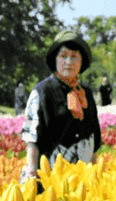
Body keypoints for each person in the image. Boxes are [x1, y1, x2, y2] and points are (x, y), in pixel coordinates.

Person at [20, 30, 102, 187]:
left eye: (74, 57)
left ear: (82, 61)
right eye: (63, 56)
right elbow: (31, 138)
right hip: (49, 178)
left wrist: (95, 174)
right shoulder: (42, 91)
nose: (68, 62)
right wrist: (32, 173)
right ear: (55, 60)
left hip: (81, 179)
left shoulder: (86, 93)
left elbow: (93, 136)